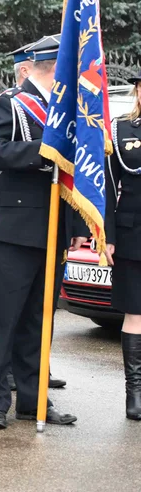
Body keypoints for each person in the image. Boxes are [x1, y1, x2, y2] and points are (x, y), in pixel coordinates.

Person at [0, 37, 79, 429]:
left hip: (52, 227)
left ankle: (34, 402)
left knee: (39, 320)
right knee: (1, 319)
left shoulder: (66, 109)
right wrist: (40, 152)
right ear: (53, 68)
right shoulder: (10, 102)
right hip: (13, 227)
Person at [105, 71, 141, 420]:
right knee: (136, 312)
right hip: (133, 235)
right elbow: (106, 190)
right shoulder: (120, 130)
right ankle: (136, 394)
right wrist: (108, 237)